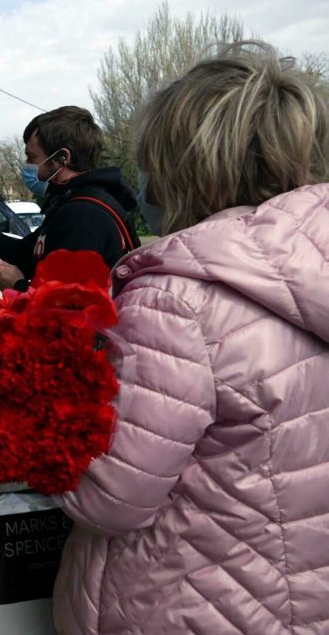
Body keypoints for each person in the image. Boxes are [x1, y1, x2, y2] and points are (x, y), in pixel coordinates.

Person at [51, 42, 329, 635]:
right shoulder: (314, 266)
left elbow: (110, 496)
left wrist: (41, 418)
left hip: (184, 603)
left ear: (186, 164)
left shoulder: (177, 301)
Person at [0, 106, 140, 291]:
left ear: (63, 158)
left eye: (32, 157)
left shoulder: (83, 216)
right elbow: (18, 257)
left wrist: (20, 287)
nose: (27, 166)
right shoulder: (68, 205)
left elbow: (70, 308)